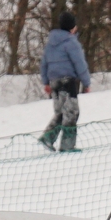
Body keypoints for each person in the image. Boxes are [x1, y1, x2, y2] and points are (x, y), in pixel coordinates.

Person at [38, 11, 91, 152]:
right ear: (72, 27)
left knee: (61, 112)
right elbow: (80, 63)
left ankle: (48, 137)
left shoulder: (50, 44)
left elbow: (44, 64)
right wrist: (86, 82)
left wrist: (46, 82)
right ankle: (67, 146)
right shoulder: (71, 42)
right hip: (67, 82)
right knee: (72, 112)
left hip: (54, 82)